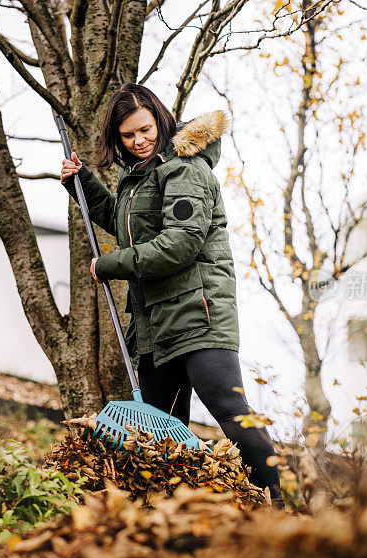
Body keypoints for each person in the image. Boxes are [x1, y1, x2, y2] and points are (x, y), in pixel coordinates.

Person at [60, 83, 283, 506]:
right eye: (128, 135)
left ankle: (282, 501)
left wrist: (108, 264)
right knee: (160, 429)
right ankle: (171, 511)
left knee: (229, 410)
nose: (139, 140)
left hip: (200, 313)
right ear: (118, 139)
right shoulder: (136, 178)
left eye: (145, 130)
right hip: (155, 321)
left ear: (160, 122)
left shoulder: (186, 168)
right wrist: (83, 184)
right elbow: (126, 224)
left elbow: (181, 243)